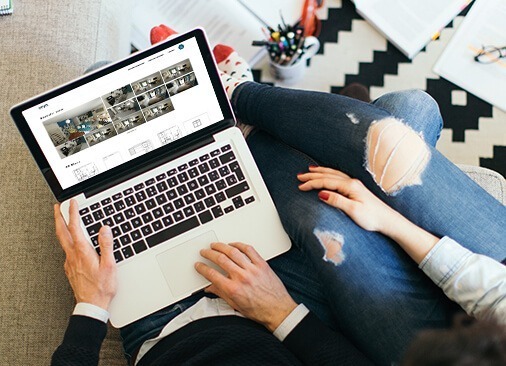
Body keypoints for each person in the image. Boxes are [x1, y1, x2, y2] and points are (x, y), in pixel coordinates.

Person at [51, 26, 506, 365]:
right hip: (289, 314)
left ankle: (235, 113)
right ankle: (235, 102)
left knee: (100, 83)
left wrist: (91, 305)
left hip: (167, 326)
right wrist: (283, 313)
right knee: (409, 112)